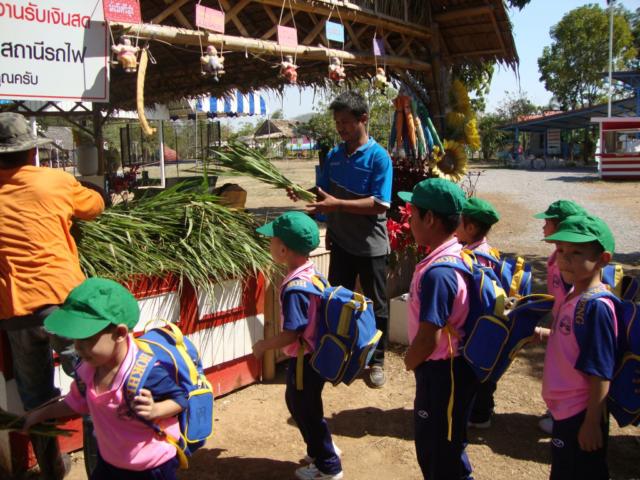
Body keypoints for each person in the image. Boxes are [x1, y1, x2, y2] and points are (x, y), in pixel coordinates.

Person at [0, 112, 105, 479]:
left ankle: (52, 470)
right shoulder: (54, 181)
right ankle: (100, 468)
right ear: (31, 152)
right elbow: (95, 206)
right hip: (63, 302)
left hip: (16, 311)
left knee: (37, 398)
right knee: (92, 387)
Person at [23, 278, 187, 479]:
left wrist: (156, 410)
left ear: (119, 333)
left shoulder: (147, 374)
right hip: (110, 461)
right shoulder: (87, 371)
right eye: (75, 339)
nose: (78, 347)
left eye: (86, 339)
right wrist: (38, 415)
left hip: (150, 467)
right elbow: (75, 402)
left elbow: (180, 399)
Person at [303, 91, 393, 388]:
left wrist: (337, 205)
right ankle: (338, 357)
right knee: (338, 302)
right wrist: (301, 193)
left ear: (362, 119)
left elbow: (380, 204)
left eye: (345, 122)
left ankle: (376, 361)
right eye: (337, 123)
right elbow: (323, 194)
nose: (340, 128)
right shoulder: (334, 156)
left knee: (376, 306)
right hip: (341, 243)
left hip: (370, 247)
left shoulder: (379, 157)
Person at [252, 211, 343, 480]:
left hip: (306, 361)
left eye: (272, 240)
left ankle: (328, 465)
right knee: (300, 403)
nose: (269, 245)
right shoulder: (312, 274)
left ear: (283, 249)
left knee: (306, 410)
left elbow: (292, 334)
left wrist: (264, 345)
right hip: (316, 356)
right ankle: (320, 448)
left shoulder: (295, 288)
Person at [400, 178, 478, 480]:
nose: (409, 221)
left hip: (442, 374)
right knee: (449, 444)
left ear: (430, 218)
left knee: (436, 449)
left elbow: (428, 338)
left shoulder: (439, 273)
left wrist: (410, 360)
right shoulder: (457, 255)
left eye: (412, 214)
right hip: (454, 370)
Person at [535, 215, 617, 480]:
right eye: (561, 250)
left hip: (580, 412)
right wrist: (545, 334)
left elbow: (601, 370)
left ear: (603, 259)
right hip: (565, 410)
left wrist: (592, 423)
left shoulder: (596, 307)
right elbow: (573, 341)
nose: (564, 259)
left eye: (576, 252)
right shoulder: (574, 295)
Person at [534, 199, 587, 434]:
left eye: (547, 223)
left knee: (569, 373)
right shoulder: (557, 257)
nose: (543, 227)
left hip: (570, 328)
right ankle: (556, 412)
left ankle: (565, 418)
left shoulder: (567, 264)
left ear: (561, 227)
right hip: (561, 324)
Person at [456, 196, 501, 429]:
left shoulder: (474, 257)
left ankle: (478, 414)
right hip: (487, 325)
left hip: (475, 325)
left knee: (475, 373)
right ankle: (482, 410)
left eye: (459, 222)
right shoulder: (489, 251)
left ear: (471, 228)